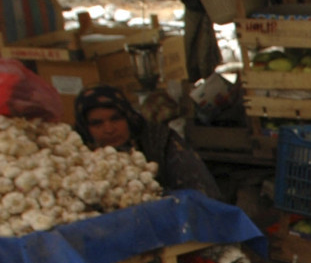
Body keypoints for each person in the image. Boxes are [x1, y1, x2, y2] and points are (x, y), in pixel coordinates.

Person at [73, 85, 222, 199]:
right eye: (97, 123)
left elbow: (200, 193)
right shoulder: (78, 159)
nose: (109, 129)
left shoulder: (160, 141)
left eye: (116, 119)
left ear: (128, 117)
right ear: (85, 128)